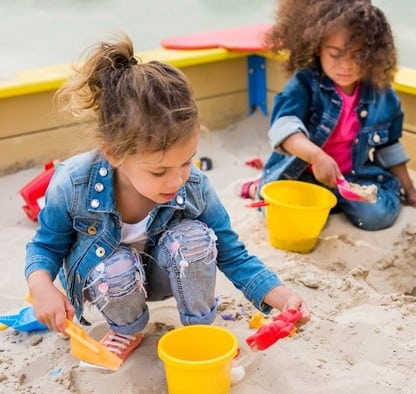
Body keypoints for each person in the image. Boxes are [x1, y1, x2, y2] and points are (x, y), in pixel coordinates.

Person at [25, 34, 310, 363]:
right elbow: (45, 246)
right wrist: (43, 287)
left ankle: (199, 327)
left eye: (187, 161)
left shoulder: (193, 186)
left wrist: (282, 295)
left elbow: (232, 253)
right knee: (116, 266)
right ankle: (127, 328)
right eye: (159, 172)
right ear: (115, 154)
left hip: (166, 274)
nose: (176, 180)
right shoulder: (73, 184)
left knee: (196, 238)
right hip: (108, 281)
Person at [241, 0, 416, 231]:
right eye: (335, 54)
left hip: (352, 177)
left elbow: (390, 147)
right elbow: (284, 128)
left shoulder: (382, 94)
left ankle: (334, 200)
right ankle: (259, 186)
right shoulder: (305, 84)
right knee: (285, 218)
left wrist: (410, 190)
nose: (345, 65)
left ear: (372, 54)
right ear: (317, 47)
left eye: (356, 56)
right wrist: (317, 157)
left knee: (379, 216)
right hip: (301, 175)